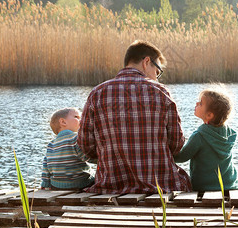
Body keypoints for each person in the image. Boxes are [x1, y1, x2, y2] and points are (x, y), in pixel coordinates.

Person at [78, 40, 191, 194]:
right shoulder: (161, 92)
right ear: (146, 62)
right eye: (157, 72)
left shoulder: (97, 93)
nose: (157, 78)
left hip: (110, 187)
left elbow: (86, 145)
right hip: (161, 186)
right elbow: (176, 144)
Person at [174, 88, 238, 191]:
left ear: (209, 115)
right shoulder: (229, 133)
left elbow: (182, 157)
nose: (196, 103)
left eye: (200, 103)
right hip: (230, 186)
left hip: (204, 188)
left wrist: (166, 153)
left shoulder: (199, 136)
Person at [41, 108, 95, 190]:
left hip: (57, 185)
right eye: (77, 117)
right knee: (95, 175)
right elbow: (88, 157)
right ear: (63, 122)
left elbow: (46, 167)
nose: (81, 119)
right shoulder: (76, 139)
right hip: (80, 183)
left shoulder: (51, 144)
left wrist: (45, 184)